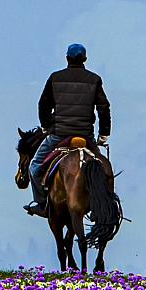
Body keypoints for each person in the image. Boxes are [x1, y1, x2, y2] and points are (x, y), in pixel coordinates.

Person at [26, 43, 111, 214]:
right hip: (86, 135)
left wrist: (46, 125)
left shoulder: (55, 78)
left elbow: (44, 104)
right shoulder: (94, 79)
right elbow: (103, 107)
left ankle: (42, 204)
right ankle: (102, 206)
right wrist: (104, 134)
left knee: (34, 167)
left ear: (67, 58)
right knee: (103, 170)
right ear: (85, 59)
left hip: (59, 134)